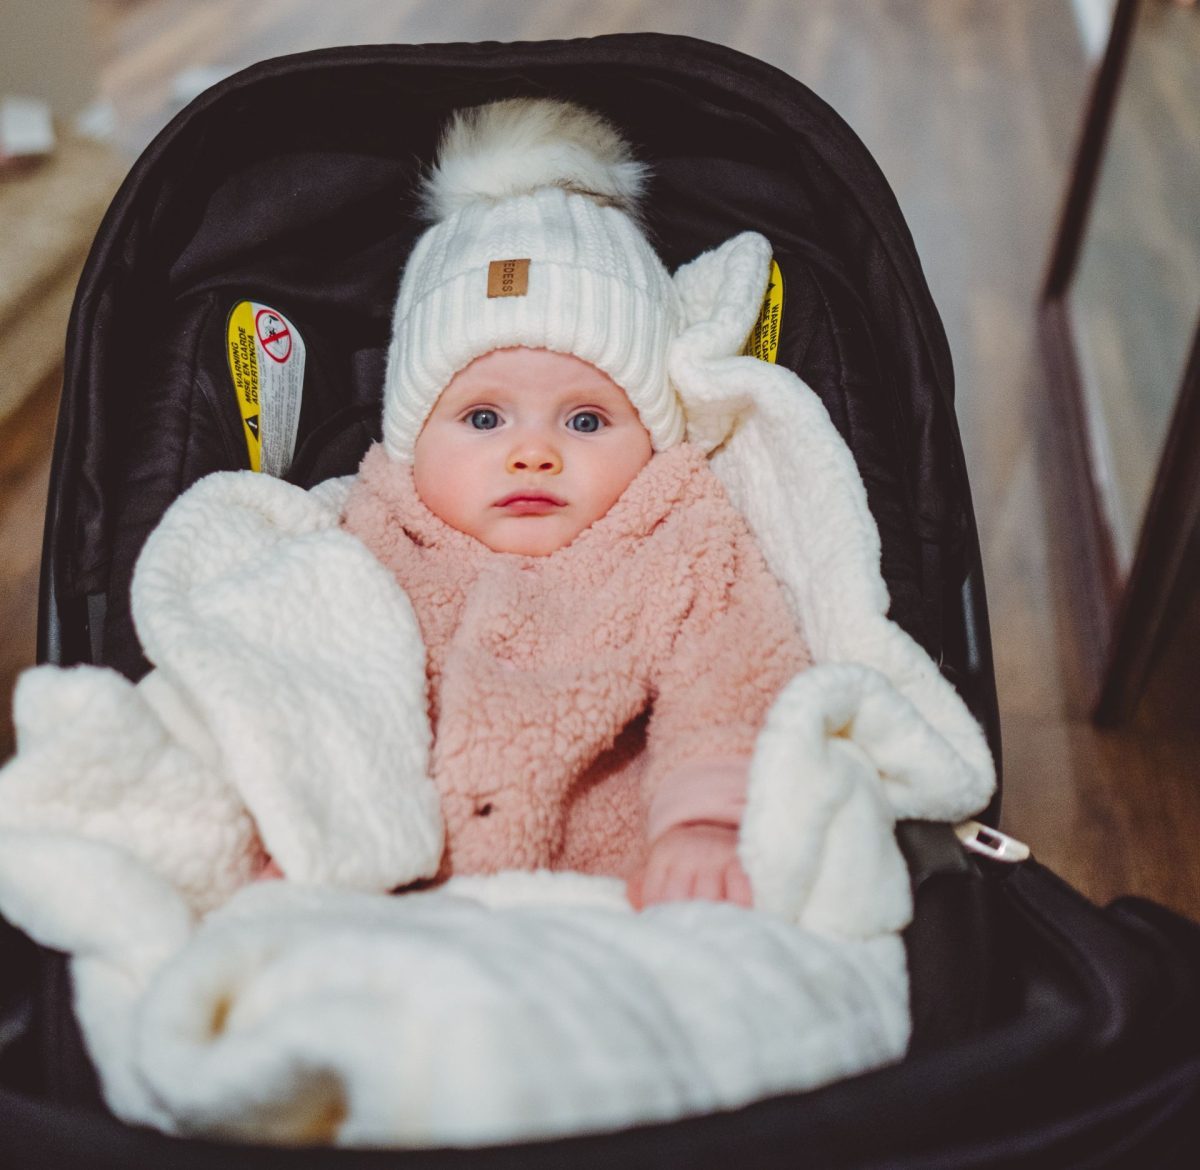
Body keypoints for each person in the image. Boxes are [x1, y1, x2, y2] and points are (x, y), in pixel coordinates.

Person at [338, 97, 811, 908]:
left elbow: (733, 675)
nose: (533, 452)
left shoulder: (677, 536)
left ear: (652, 433)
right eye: (483, 418)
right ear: (412, 438)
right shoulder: (369, 535)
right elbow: (313, 680)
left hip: (613, 885)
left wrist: (703, 826)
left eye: (586, 419)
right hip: (391, 876)